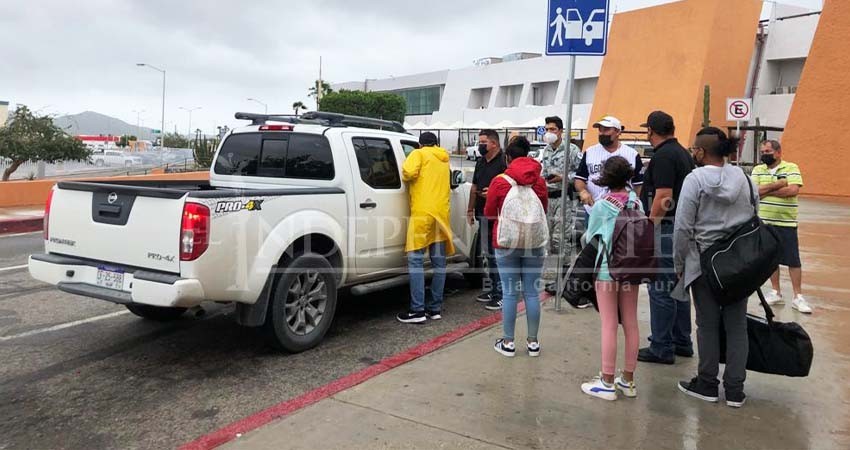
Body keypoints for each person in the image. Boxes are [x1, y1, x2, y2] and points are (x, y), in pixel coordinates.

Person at [674, 127, 756, 408]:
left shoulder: (694, 180)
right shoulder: (744, 178)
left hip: (704, 264)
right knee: (737, 326)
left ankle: (707, 383)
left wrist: (679, 262)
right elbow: (754, 215)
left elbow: (683, 226)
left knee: (707, 325)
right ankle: (735, 390)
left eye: (694, 149)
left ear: (701, 151)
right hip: (740, 264)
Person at [579, 156, 645, 401]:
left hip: (608, 268)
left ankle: (607, 381)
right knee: (631, 322)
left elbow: (590, 237)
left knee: (609, 323)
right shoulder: (635, 202)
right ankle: (628, 380)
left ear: (605, 178)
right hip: (633, 268)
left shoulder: (602, 204)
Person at [637, 111, 696, 365]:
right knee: (678, 287)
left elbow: (663, 197)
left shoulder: (662, 156)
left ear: (651, 130)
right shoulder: (683, 153)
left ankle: (661, 346)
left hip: (666, 228)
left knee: (660, 287)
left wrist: (649, 227)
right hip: (683, 227)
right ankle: (682, 340)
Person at [483, 136, 548, 357]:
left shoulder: (499, 181)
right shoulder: (539, 181)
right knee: (532, 292)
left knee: (510, 293)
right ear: (528, 154)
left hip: (506, 242)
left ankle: (508, 343)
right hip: (534, 243)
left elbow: (490, 213)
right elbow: (543, 210)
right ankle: (533, 343)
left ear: (508, 157)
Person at [397, 132, 455, 324]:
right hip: (441, 213)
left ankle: (417, 310)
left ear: (421, 144)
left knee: (415, 262)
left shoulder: (419, 154)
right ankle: (435, 308)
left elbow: (408, 173)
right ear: (436, 143)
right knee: (439, 264)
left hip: (423, 213)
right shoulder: (444, 158)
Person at [751, 140, 811, 313]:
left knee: (793, 260)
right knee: (771, 259)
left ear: (778, 152)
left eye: (768, 151)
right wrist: (778, 185)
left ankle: (798, 296)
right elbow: (755, 192)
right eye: (762, 151)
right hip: (765, 222)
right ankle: (776, 291)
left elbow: (793, 191)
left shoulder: (791, 167)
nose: (765, 154)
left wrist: (766, 190)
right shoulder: (758, 170)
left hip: (786, 223)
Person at [467, 129, 508, 311]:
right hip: (483, 212)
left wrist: (492, 193)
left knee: (498, 255)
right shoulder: (481, 162)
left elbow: (510, 186)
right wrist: (470, 209)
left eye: (483, 142)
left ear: (494, 143)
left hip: (499, 215)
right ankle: (493, 290)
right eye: (479, 142)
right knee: (488, 255)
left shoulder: (504, 161)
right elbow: (474, 185)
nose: (480, 145)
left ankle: (501, 294)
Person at [574, 116, 644, 220]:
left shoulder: (632, 154)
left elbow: (638, 184)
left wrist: (634, 201)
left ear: (617, 132)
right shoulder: (590, 152)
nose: (602, 133)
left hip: (623, 212)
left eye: (606, 130)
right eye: (600, 130)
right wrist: (583, 192)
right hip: (594, 209)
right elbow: (580, 178)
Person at [541, 116, 583, 259]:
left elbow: (581, 174)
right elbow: (543, 172)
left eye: (552, 129)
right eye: (547, 129)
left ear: (560, 131)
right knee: (548, 236)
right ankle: (552, 272)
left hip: (563, 197)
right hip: (547, 198)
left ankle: (564, 272)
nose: (549, 132)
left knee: (561, 236)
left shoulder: (572, 150)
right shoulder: (546, 150)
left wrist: (563, 177)